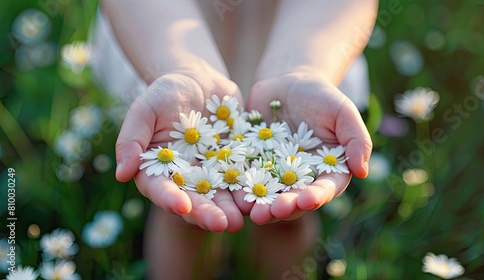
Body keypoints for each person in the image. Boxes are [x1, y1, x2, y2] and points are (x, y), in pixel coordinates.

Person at [91, 0, 376, 278]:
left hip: (300, 37)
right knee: (182, 207)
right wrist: (183, 69)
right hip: (160, 33)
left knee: (288, 209)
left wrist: (303, 69)